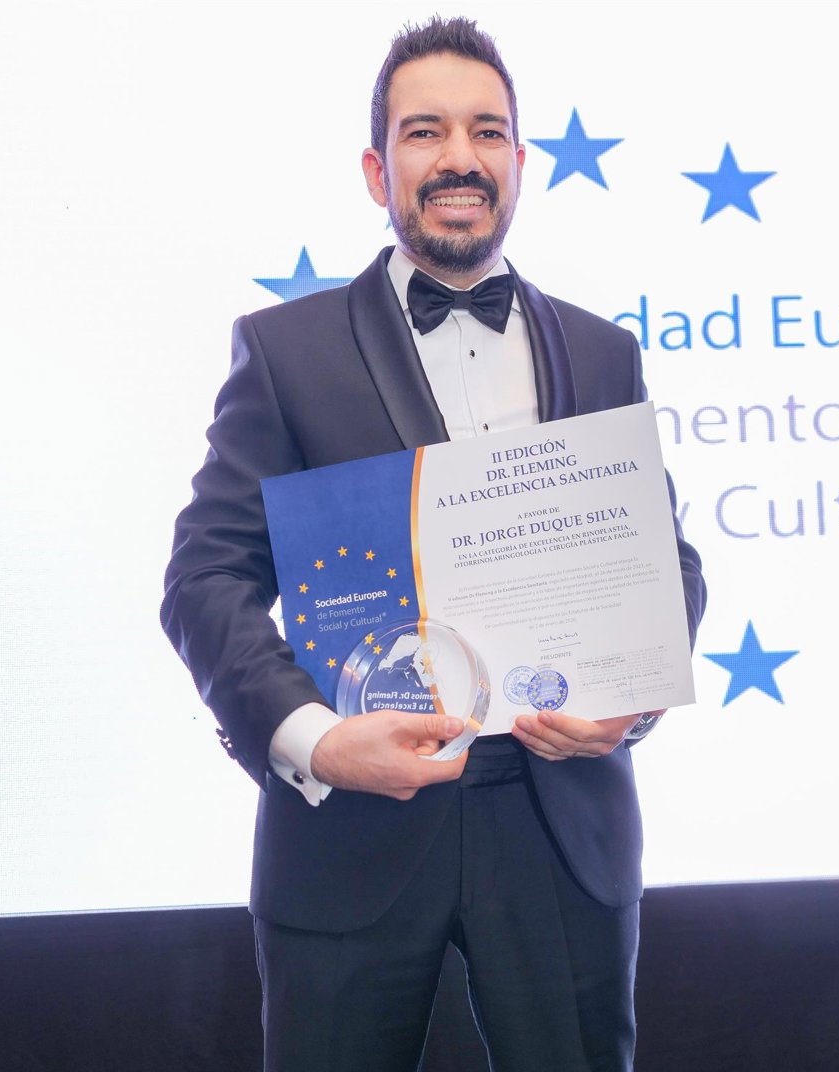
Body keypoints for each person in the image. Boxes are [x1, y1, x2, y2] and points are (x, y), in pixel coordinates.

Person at [161, 15, 706, 1072]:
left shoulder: (605, 351)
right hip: (350, 829)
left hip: (562, 831)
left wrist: (631, 692)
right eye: (425, 132)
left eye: (486, 131)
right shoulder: (284, 352)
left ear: (520, 161)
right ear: (378, 170)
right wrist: (316, 740)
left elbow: (666, 562)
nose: (460, 157)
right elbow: (205, 575)